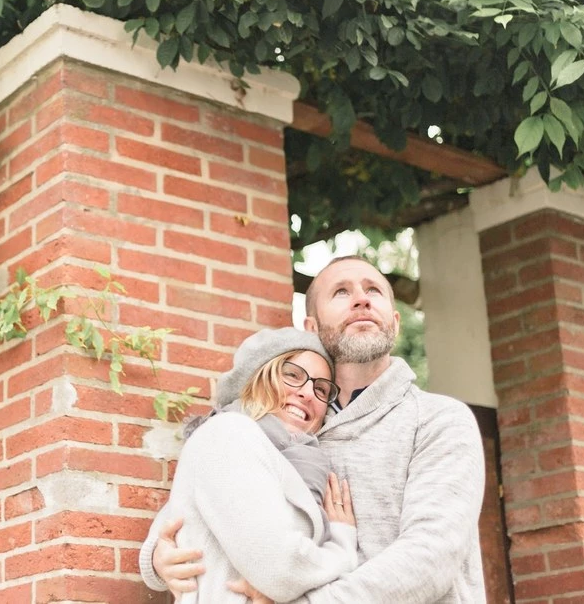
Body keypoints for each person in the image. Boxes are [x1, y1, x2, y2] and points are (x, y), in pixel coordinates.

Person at [141, 256, 486, 603]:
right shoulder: (285, 426)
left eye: (374, 291)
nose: (361, 299)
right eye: (340, 292)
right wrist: (158, 557)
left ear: (395, 323)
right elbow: (203, 500)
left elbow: (431, 557)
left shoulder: (438, 420)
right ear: (311, 327)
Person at [143, 327, 359, 603]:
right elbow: (281, 570)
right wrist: (342, 543)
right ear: (257, 377)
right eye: (292, 375)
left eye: (320, 388)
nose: (307, 393)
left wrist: (154, 559)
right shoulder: (229, 433)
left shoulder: (296, 463)